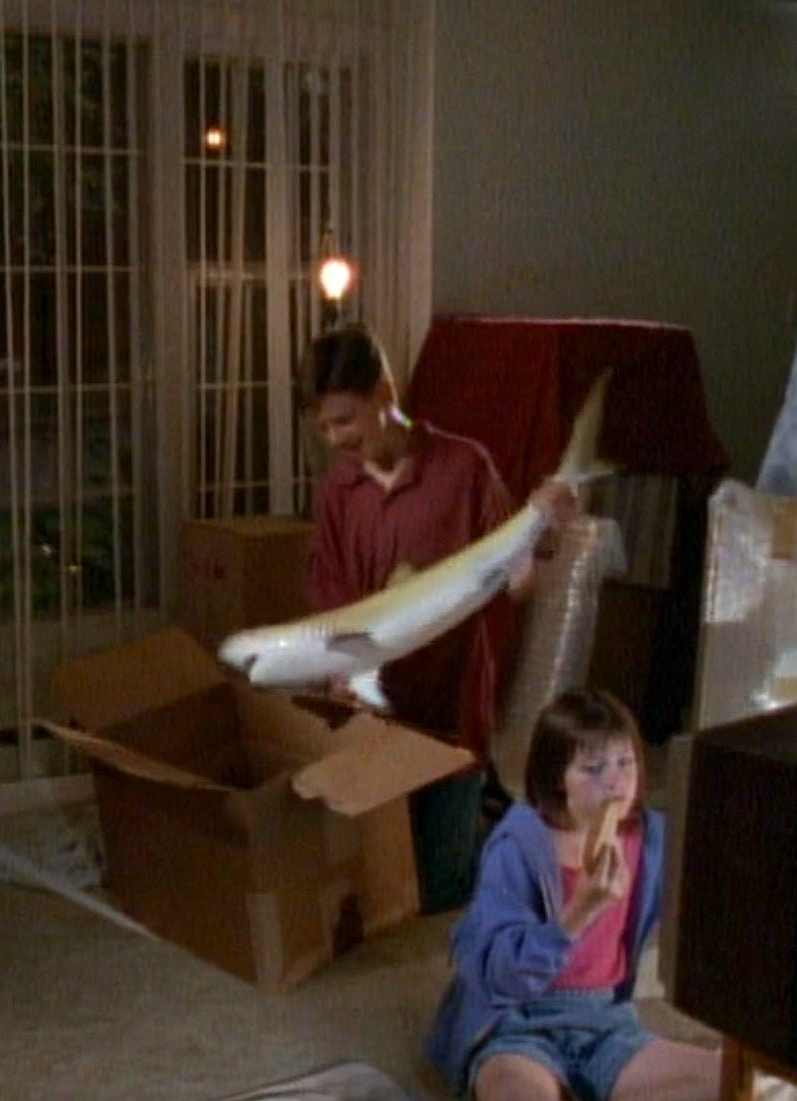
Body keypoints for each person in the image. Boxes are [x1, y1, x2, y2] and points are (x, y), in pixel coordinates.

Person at [301, 323, 572, 912]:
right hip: (377, 713)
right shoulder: (338, 492)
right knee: (386, 884)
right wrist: (341, 675)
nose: (336, 438)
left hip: (453, 715)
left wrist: (543, 528)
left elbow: (516, 581)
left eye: (345, 420)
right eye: (324, 428)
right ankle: (491, 816)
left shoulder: (464, 466)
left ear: (384, 394)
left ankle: (516, 835)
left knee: (442, 887)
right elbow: (333, 604)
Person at [425, 689, 720, 1101]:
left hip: (605, 1021)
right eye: (593, 768)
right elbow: (499, 978)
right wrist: (578, 913)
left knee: (726, 1079)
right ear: (556, 779)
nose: (615, 780)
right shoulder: (516, 846)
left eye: (625, 761)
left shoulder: (650, 839)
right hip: (516, 1021)